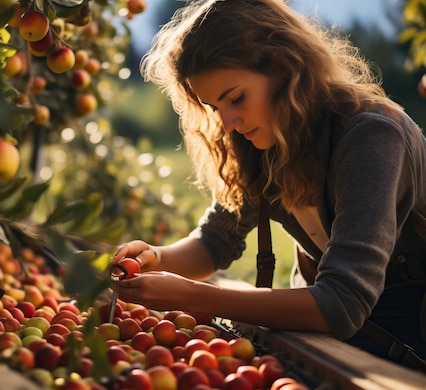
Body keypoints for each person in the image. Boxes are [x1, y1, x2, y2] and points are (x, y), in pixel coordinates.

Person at [111, 0, 426, 370]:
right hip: (325, 343)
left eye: (236, 98)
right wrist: (157, 258)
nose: (228, 123)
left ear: (284, 67)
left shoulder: (372, 137)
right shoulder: (263, 143)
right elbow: (215, 242)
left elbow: (341, 303)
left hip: (405, 348)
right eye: (215, 107)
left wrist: (195, 296)